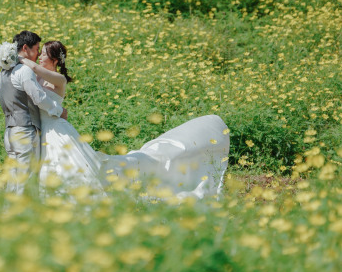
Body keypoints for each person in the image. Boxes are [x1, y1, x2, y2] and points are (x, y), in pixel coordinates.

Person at [20, 41, 230, 201]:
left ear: (55, 60)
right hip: (44, 128)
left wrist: (15, 57)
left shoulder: (58, 79)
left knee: (69, 164)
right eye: (40, 53)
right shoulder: (39, 77)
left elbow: (35, 69)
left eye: (44, 54)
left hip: (57, 129)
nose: (39, 57)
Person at [0, 31, 68, 195]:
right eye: (36, 50)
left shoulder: (3, 72)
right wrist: (59, 111)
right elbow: (39, 97)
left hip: (10, 130)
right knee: (25, 177)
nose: (37, 55)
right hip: (25, 129)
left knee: (14, 177)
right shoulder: (24, 71)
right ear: (25, 48)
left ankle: (9, 207)